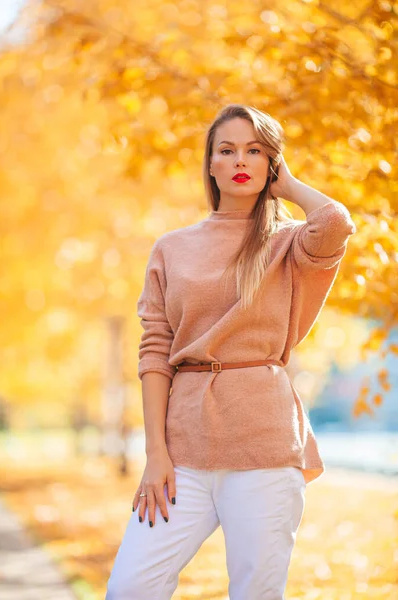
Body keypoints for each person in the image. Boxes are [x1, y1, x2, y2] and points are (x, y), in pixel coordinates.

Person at [105, 103, 356, 599]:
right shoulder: (171, 248)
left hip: (263, 443)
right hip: (183, 451)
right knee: (131, 587)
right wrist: (156, 453)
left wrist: (288, 187)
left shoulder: (288, 243)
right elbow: (155, 350)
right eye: (228, 150)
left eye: (255, 151)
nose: (241, 160)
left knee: (256, 593)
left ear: (272, 164)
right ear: (211, 164)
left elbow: (334, 223)